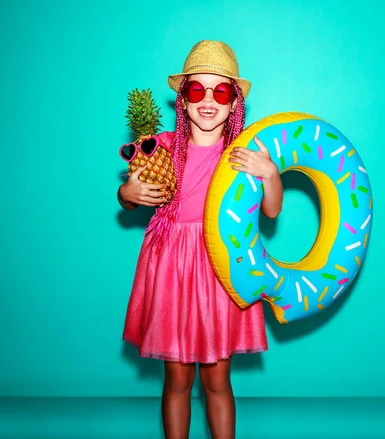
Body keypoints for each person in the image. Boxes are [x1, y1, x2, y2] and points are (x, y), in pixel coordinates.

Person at [118, 40, 284, 439]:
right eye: (197, 90)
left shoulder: (242, 154)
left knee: (217, 380)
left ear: (233, 103)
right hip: (171, 265)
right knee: (176, 380)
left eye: (220, 91)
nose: (208, 101)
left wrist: (270, 174)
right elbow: (129, 194)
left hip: (219, 266)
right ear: (183, 98)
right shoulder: (158, 145)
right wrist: (127, 194)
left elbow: (273, 210)